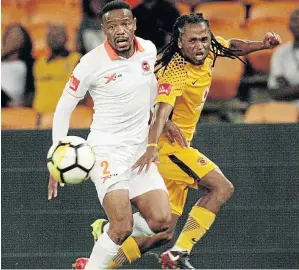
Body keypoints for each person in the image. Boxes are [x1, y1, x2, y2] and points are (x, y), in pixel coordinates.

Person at [75, 13, 281, 270]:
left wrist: (261, 44)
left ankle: (99, 262)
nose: (200, 45)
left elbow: (230, 46)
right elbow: (162, 107)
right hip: (167, 149)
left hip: (175, 148)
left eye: (204, 39)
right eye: (193, 41)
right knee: (221, 188)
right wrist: (153, 143)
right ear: (180, 43)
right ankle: (178, 254)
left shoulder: (208, 49)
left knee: (161, 233)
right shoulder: (175, 70)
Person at [47, 1, 172, 269]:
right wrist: (58, 152)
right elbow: (63, 108)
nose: (120, 30)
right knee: (123, 227)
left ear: (134, 25)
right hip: (107, 151)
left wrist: (161, 119)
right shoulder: (90, 63)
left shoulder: (148, 49)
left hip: (138, 151)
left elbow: (152, 87)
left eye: (125, 23)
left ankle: (105, 231)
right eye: (112, 26)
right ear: (104, 29)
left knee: (162, 222)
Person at [33, 24, 81, 114]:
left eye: (58, 34)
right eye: (51, 35)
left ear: (66, 38)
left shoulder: (76, 59)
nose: (54, 38)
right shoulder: (38, 63)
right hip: (41, 117)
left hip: (68, 115)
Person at [268, 9, 299, 108]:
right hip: (288, 108)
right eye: (295, 21)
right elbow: (276, 92)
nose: (298, 24)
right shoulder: (280, 53)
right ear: (289, 26)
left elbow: (286, 90)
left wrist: (292, 89)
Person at [1, 24, 35, 107]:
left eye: (17, 36)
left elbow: (32, 91)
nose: (13, 38)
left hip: (10, 102)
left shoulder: (29, 64)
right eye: (10, 35)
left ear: (24, 40)